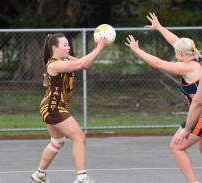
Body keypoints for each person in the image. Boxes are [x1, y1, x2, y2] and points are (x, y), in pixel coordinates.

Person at [125, 13, 202, 183]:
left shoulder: (187, 68)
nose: (175, 52)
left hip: (200, 115)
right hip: (198, 113)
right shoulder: (197, 58)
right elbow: (177, 42)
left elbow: (159, 64)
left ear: (181, 54)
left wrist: (138, 50)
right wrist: (159, 27)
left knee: (176, 147)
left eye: (176, 52)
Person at [31, 33, 107, 183]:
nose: (69, 47)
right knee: (79, 138)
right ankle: (81, 177)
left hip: (53, 107)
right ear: (55, 48)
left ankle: (40, 174)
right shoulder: (53, 64)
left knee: (57, 142)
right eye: (65, 45)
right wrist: (98, 48)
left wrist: (98, 49)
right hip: (53, 107)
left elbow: (86, 63)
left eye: (68, 44)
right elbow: (82, 65)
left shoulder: (66, 59)